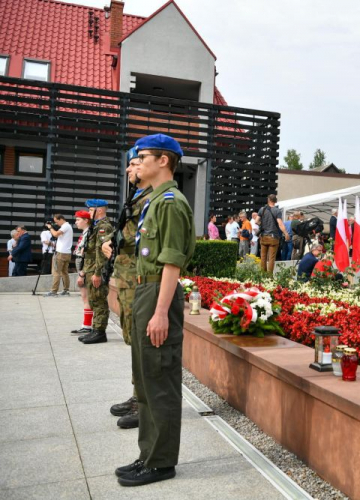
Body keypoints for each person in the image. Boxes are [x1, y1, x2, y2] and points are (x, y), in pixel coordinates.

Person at [115, 133, 195, 487]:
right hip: (146, 290)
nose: (138, 161)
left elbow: (172, 264)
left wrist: (161, 312)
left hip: (159, 294)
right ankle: (148, 454)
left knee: (160, 380)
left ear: (164, 160)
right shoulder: (153, 200)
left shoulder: (170, 203)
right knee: (147, 381)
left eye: (143, 155)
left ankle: (161, 462)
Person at [103, 146, 153, 430]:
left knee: (140, 343)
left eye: (134, 164)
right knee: (132, 339)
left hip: (137, 279)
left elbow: (142, 240)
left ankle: (143, 401)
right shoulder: (136, 197)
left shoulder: (153, 199)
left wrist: (118, 243)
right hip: (125, 277)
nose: (129, 170)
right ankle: (138, 395)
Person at [78, 200, 113, 345]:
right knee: (93, 300)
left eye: (91, 209)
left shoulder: (104, 227)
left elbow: (102, 252)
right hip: (90, 269)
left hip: (97, 270)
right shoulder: (96, 226)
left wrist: (98, 273)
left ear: (99, 210)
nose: (88, 212)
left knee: (99, 301)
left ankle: (100, 332)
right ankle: (95, 329)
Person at [71, 210, 94, 336]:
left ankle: (87, 325)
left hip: (85, 267)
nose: (76, 222)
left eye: (78, 219)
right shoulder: (86, 233)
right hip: (82, 266)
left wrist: (82, 273)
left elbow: (88, 256)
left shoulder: (89, 233)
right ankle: (86, 325)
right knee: (85, 297)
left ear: (86, 220)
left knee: (86, 298)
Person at [258, 194, 290, 274]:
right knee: (271, 258)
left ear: (268, 200)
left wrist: (262, 225)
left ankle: (263, 275)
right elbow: (280, 223)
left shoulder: (262, 209)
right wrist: (286, 233)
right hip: (273, 237)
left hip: (263, 236)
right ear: (275, 201)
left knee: (263, 257)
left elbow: (256, 221)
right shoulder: (277, 211)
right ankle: (269, 276)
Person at [45, 214, 74, 296]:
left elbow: (55, 234)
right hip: (67, 253)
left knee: (56, 272)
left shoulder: (65, 226)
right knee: (64, 272)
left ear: (61, 219)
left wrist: (50, 227)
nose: (56, 224)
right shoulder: (68, 226)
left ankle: (54, 291)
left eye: (56, 222)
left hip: (61, 253)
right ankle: (66, 290)